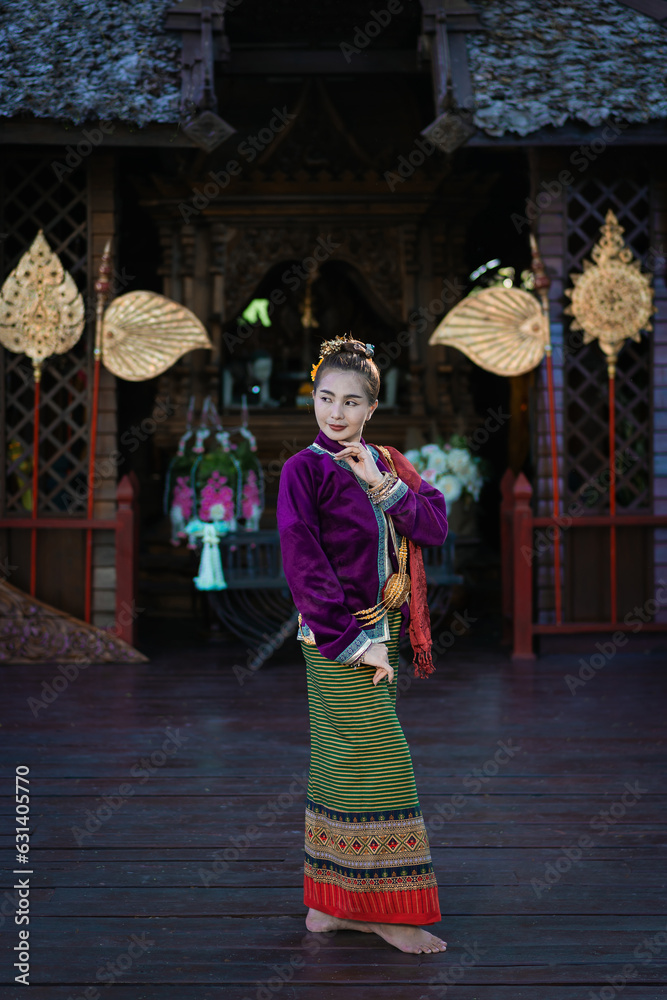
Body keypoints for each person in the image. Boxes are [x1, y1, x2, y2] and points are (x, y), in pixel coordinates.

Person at [276, 333, 449, 955]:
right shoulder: (304, 471)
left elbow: (433, 525)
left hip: (386, 633)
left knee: (342, 764)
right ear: (314, 398)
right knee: (382, 767)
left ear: (372, 408)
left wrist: (383, 483)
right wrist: (356, 643)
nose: (336, 413)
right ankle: (385, 911)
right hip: (338, 639)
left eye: (352, 402)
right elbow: (305, 566)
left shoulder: (387, 462)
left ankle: (333, 907)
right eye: (325, 398)